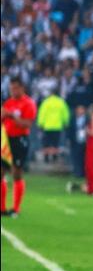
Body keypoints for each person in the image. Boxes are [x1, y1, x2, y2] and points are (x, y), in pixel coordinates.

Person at [1, 77, 37, 217]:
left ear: (22, 88)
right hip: (6, 141)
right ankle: (2, 208)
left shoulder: (28, 103)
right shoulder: (8, 103)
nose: (13, 91)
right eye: (11, 88)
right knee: (1, 171)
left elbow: (27, 124)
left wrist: (11, 116)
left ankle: (16, 208)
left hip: (19, 140)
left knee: (17, 173)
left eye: (15, 88)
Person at [36, 90, 69, 164]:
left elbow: (42, 113)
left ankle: (46, 157)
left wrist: (40, 124)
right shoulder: (61, 102)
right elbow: (65, 113)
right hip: (57, 126)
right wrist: (65, 122)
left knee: (46, 143)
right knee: (55, 143)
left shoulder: (46, 102)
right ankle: (54, 157)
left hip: (47, 126)